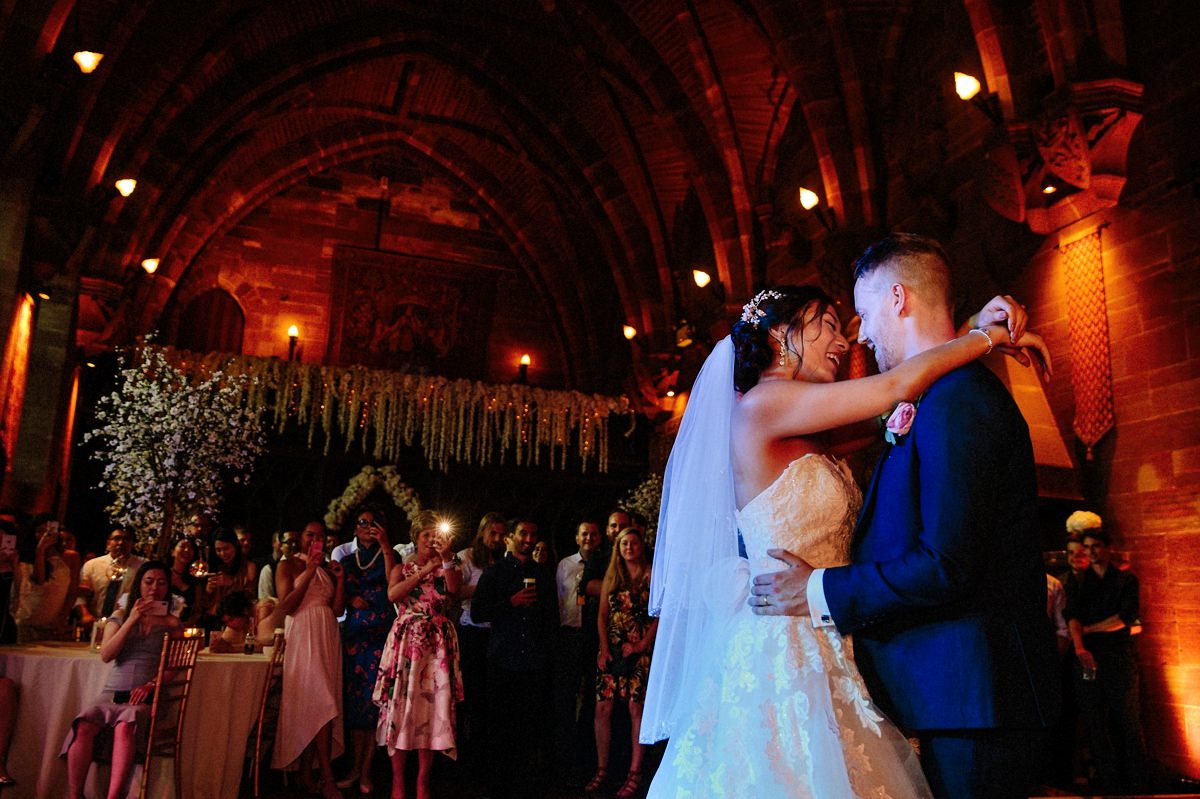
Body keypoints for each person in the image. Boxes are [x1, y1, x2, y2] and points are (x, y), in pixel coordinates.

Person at [642, 246, 1054, 797]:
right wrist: (982, 335)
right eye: (828, 326)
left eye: (849, 322)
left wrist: (964, 327)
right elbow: (893, 389)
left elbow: (904, 396)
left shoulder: (816, 422)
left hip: (832, 635)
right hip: (783, 641)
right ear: (781, 336)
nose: (849, 340)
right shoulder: (762, 405)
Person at [61, 560, 181, 799]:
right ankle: (75, 795)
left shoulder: (172, 623)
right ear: (139, 585)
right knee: (84, 724)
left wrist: (152, 684)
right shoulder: (119, 616)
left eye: (161, 583)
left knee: (126, 724)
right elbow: (107, 654)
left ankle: (113, 796)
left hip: (148, 690)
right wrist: (131, 619)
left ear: (168, 587)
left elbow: (175, 665)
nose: (154, 588)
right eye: (149, 582)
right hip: (115, 689)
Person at [373, 510, 463, 799]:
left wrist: (445, 558)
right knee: (403, 708)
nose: (431, 540)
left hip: (437, 644)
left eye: (435, 535)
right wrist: (424, 570)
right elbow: (393, 595)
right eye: (426, 535)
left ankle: (423, 780)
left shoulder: (450, 564)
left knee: (431, 711)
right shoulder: (403, 567)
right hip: (408, 644)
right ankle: (398, 780)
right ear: (416, 538)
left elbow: (453, 589)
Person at [472, 518, 558, 799]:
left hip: (533, 661)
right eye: (523, 534)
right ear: (510, 537)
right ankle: (496, 784)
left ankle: (524, 784)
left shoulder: (543, 574)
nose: (529, 539)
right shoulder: (495, 573)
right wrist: (510, 602)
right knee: (499, 725)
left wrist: (545, 652)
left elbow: (551, 618)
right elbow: (477, 613)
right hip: (502, 659)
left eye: (533, 535)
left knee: (528, 725)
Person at [1065, 515, 1147, 793]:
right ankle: (1110, 786)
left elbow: (1125, 617)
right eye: (1087, 547)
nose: (1091, 552)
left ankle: (1138, 785)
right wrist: (1080, 646)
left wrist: (1089, 630)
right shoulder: (1078, 582)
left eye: (1096, 546)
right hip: (1089, 658)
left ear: (1107, 548)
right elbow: (1072, 617)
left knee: (1128, 724)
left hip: (1117, 658)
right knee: (1095, 725)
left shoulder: (1125, 580)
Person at [272, 521, 346, 799]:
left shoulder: (328, 567)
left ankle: (306, 772)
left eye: (321, 536)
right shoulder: (288, 564)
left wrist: (338, 580)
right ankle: (327, 778)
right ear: (301, 537)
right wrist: (310, 570)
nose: (315, 540)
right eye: (310, 535)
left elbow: (337, 610)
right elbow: (287, 605)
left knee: (318, 702)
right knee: (320, 701)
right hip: (303, 632)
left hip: (327, 634)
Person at [588, 527, 656, 798]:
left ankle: (635, 773)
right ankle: (602, 769)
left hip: (639, 649)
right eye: (624, 543)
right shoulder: (612, 575)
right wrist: (604, 649)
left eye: (633, 542)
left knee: (635, 708)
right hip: (614, 649)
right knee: (602, 708)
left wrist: (641, 645)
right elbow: (602, 616)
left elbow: (660, 614)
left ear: (641, 545)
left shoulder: (651, 574)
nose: (629, 547)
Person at [334, 505, 398, 794]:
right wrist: (349, 600)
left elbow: (391, 584)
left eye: (373, 523)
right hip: (354, 638)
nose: (366, 526)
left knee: (372, 706)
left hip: (379, 635)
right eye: (362, 522)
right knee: (353, 706)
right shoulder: (346, 560)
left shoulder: (391, 556)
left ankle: (367, 771)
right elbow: (336, 595)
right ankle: (354, 767)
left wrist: (385, 546)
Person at [454, 512, 506, 770]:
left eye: (501, 534)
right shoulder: (467, 557)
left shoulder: (505, 560)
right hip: (472, 630)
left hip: (497, 631)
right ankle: (462, 753)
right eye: (492, 533)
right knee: (469, 693)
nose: (496, 539)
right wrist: (485, 588)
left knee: (491, 697)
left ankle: (485, 753)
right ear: (482, 533)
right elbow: (455, 591)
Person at [552, 519, 601, 774]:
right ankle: (564, 756)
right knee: (566, 697)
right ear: (577, 537)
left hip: (593, 635)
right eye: (585, 534)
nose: (589, 539)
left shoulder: (604, 564)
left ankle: (586, 755)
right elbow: (560, 599)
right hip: (570, 634)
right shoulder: (565, 565)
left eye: (593, 534)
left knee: (592, 697)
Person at [14, 514, 81, 641]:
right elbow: (40, 580)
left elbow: (72, 592)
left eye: (48, 530)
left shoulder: (71, 557)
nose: (44, 535)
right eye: (40, 531)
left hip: (52, 620)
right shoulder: (26, 556)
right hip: (27, 615)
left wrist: (62, 619)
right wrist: (40, 551)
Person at [78, 529, 144, 621]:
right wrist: (85, 614)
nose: (121, 543)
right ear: (108, 543)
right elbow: (81, 595)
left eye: (126, 539)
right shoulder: (92, 565)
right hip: (94, 619)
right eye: (117, 539)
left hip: (126, 622)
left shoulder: (142, 567)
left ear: (133, 544)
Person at [202, 527, 256, 627]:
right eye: (218, 550)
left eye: (226, 548)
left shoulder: (248, 567)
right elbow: (202, 604)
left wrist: (231, 583)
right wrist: (208, 590)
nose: (223, 554)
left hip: (237, 619)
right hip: (214, 618)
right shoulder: (213, 567)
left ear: (235, 545)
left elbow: (250, 597)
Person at [167, 537, 202, 623]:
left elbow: (198, 608)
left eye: (191, 548)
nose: (187, 550)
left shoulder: (196, 579)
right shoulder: (164, 575)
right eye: (182, 546)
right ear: (172, 552)